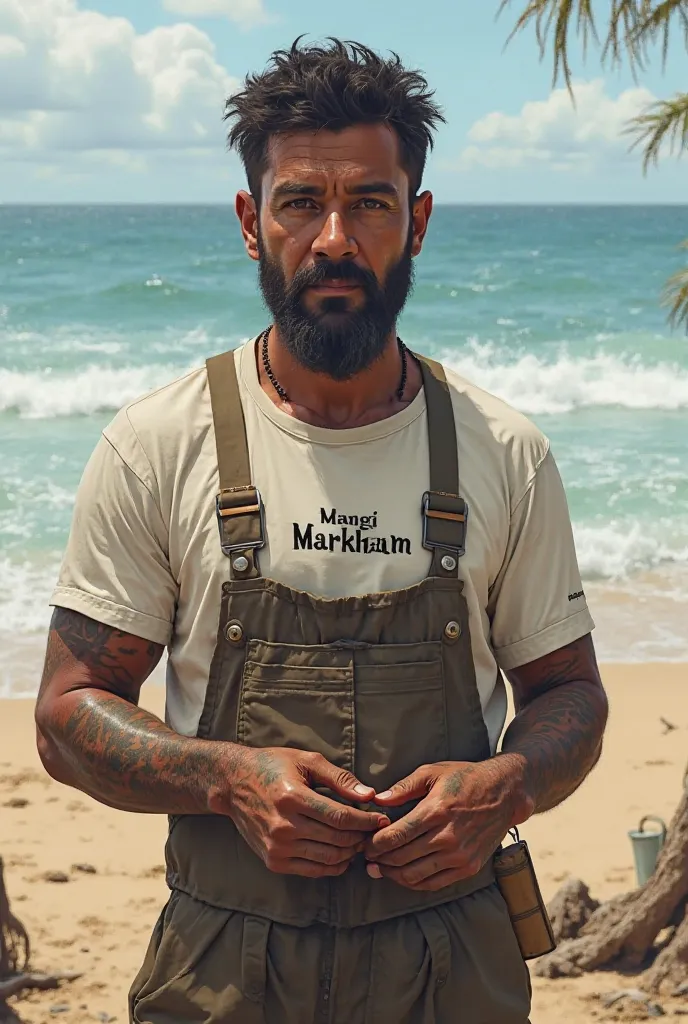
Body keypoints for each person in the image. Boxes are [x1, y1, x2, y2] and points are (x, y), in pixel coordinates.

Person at [35, 38, 608, 1024]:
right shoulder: (156, 443)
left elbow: (570, 695)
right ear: (251, 221)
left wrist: (501, 787)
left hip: (452, 973)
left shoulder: (503, 451)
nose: (333, 238)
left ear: (416, 222)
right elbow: (69, 709)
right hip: (220, 970)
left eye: (369, 203)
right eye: (300, 202)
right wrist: (224, 778)